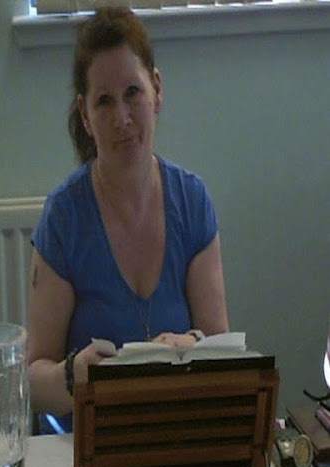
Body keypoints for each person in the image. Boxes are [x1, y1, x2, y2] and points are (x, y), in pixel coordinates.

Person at [27, 7, 229, 434]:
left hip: (175, 439)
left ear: (157, 90)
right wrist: (73, 375)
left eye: (133, 92)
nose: (122, 119)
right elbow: (31, 382)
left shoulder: (193, 202)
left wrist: (192, 345)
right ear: (85, 115)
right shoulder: (63, 217)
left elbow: (222, 351)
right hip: (86, 448)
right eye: (104, 101)